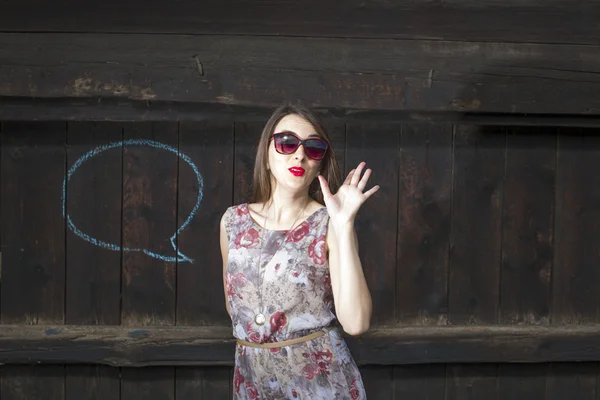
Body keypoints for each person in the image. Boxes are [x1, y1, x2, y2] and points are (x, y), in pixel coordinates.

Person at [220, 102, 379, 399]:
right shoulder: (232, 222)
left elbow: (356, 322)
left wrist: (343, 225)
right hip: (252, 381)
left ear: (320, 162)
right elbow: (236, 309)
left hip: (318, 384)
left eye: (314, 148)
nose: (300, 154)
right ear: (265, 155)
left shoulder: (330, 223)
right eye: (286, 142)